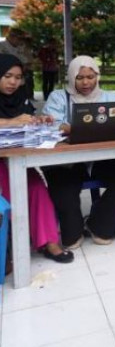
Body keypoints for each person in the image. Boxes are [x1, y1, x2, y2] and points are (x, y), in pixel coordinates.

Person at [43, 56, 115, 248]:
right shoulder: (58, 97)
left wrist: (75, 127)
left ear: (97, 76)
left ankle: (96, 223)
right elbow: (49, 125)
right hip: (67, 161)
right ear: (71, 77)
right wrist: (67, 127)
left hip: (101, 159)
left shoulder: (111, 97)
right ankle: (74, 230)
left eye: (90, 77)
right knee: (64, 190)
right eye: (80, 77)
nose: (86, 82)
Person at [0, 54, 73, 264]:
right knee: (9, 188)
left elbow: (27, 121)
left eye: (18, 77)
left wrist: (39, 121)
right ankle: (11, 244)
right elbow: (14, 122)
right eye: (7, 76)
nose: (13, 82)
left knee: (36, 187)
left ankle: (49, 242)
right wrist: (11, 122)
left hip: (15, 159)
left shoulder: (19, 97)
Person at [0, 28, 35, 101]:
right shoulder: (2, 46)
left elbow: (26, 59)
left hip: (20, 73)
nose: (20, 41)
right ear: (12, 37)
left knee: (20, 94)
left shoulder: (20, 47)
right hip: (5, 75)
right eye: (19, 39)